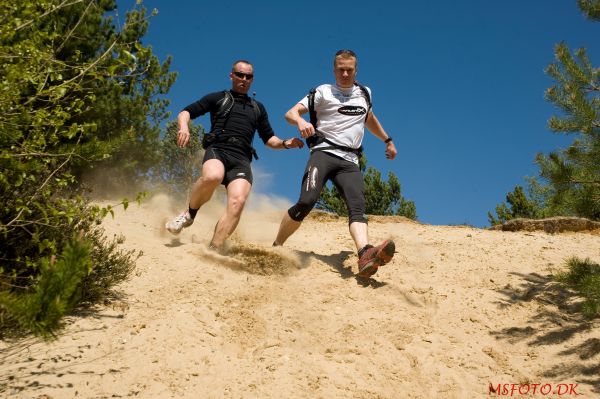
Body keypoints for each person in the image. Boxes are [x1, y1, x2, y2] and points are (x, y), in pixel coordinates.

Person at [273, 49, 398, 278]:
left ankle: (364, 255)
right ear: (334, 69)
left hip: (350, 160)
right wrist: (300, 121)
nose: (345, 73)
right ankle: (277, 246)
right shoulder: (323, 92)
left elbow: (368, 118)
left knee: (357, 209)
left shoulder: (364, 93)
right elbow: (290, 113)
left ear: (356, 70)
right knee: (306, 201)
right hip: (323, 153)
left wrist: (387, 140)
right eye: (341, 69)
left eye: (350, 69)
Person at [165, 59, 304, 249]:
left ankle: (214, 248)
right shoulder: (218, 98)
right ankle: (189, 214)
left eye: (248, 76)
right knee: (213, 176)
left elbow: (270, 139)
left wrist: (286, 143)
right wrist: (183, 128)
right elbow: (186, 112)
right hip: (219, 149)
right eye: (240, 75)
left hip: (241, 159)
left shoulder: (258, 108)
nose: (244, 79)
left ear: (252, 80)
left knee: (237, 203)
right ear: (232, 75)